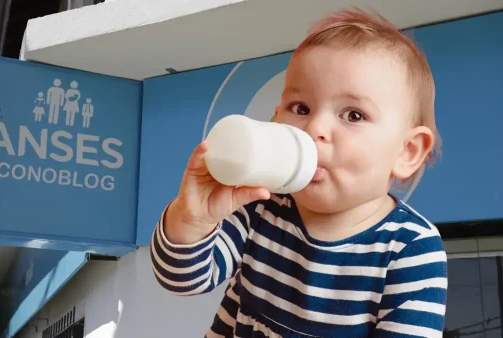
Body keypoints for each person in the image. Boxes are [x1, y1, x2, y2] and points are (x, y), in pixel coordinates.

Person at [150, 7, 447, 338]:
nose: (315, 127)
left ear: (407, 152)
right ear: (277, 119)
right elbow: (183, 279)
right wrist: (193, 219)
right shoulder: (259, 203)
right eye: (301, 108)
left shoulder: (410, 249)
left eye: (353, 115)